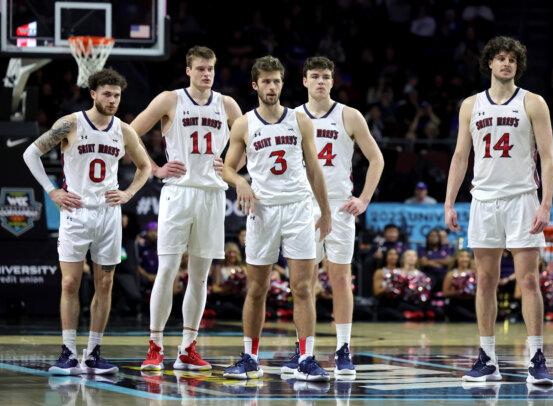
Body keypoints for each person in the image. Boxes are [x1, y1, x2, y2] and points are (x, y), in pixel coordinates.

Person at [22, 68, 151, 375]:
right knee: (70, 282)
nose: (112, 100)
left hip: (108, 215)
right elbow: (30, 153)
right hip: (75, 212)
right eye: (107, 94)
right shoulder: (70, 123)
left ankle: (93, 353)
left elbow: (145, 167)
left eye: (117, 95)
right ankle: (67, 352)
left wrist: (129, 193)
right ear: (93, 94)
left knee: (105, 284)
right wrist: (52, 191)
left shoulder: (124, 130)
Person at [445, 36, 553, 385]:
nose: (506, 63)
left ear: (517, 66)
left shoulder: (533, 102)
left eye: (511, 59)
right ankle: (487, 358)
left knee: (529, 281)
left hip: (523, 198)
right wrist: (449, 201)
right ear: (490, 64)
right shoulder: (470, 105)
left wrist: (546, 203)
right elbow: (461, 157)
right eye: (500, 58)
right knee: (486, 281)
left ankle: (536, 357)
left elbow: (549, 158)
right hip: (484, 200)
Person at [131, 46, 243, 371]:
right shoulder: (170, 99)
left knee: (200, 277)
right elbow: (129, 133)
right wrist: (154, 168)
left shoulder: (228, 104)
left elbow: (249, 140)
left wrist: (233, 166)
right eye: (201, 68)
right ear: (189, 70)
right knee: (167, 271)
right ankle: (155, 347)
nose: (207, 73)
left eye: (211, 68)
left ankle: (187, 349)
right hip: (178, 192)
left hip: (211, 194)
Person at [221, 56, 332, 381]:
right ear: (255, 85)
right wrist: (241, 181)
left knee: (302, 287)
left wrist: (324, 211)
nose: (272, 87)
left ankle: (307, 358)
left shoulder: (299, 120)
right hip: (263, 210)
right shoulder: (244, 123)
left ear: (284, 84)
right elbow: (228, 166)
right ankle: (249, 357)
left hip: (298, 208)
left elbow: (314, 168)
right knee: (257, 288)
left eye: (277, 81)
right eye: (266, 81)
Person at [280, 56, 384, 376]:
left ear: (332, 81)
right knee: (303, 281)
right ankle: (303, 352)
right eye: (315, 76)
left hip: (339, 204)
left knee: (340, 278)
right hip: (303, 204)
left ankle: (342, 349)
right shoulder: (293, 116)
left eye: (326, 76)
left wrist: (364, 199)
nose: (321, 81)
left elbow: (377, 159)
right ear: (305, 81)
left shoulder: (349, 116)